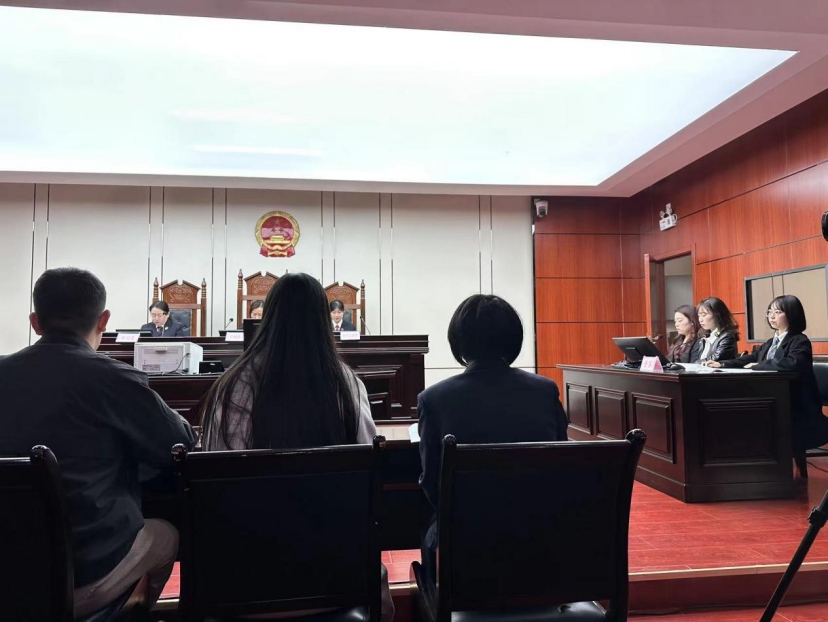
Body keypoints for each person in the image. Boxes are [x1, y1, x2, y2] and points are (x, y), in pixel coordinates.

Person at [0, 267, 194, 618]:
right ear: (103, 320)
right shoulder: (112, 378)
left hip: (9, 567)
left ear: (35, 322)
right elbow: (178, 446)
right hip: (81, 575)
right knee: (165, 534)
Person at [200, 272, 393, 621]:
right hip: (335, 574)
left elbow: (214, 477)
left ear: (269, 317)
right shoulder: (346, 383)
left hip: (246, 578)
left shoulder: (233, 384)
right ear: (323, 321)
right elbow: (367, 467)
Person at [417, 294, 569, 583]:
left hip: (466, 549)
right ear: (513, 338)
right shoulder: (545, 391)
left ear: (458, 341)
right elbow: (562, 466)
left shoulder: (434, 399)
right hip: (540, 543)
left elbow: (432, 485)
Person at [707, 295, 828, 461]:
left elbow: (792, 363)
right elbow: (750, 358)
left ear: (792, 314)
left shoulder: (800, 340)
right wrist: (722, 364)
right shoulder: (771, 342)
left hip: (796, 406)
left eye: (777, 312)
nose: (771, 316)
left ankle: (768, 465)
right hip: (774, 400)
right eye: (769, 312)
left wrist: (758, 366)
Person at [697, 297, 739, 363]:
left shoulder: (727, 337)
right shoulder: (705, 336)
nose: (700, 319)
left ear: (718, 315)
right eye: (699, 316)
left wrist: (695, 364)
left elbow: (716, 358)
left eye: (704, 315)